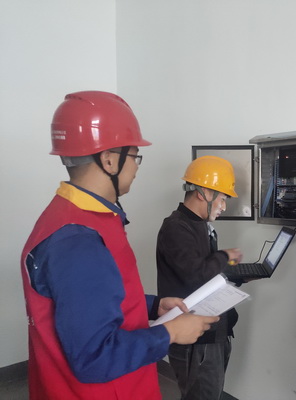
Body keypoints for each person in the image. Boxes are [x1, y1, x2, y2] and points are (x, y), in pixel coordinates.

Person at [20, 91, 219, 400]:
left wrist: (151, 306)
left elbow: (87, 300)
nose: (137, 167)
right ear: (109, 159)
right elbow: (93, 357)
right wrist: (170, 332)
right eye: (135, 156)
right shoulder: (79, 241)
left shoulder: (72, 215)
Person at [156, 155, 243, 400]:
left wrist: (235, 275)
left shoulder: (200, 225)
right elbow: (195, 276)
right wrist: (224, 256)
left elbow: (203, 271)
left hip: (212, 333)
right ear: (204, 193)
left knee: (210, 393)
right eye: (223, 198)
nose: (223, 206)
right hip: (195, 340)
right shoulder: (176, 228)